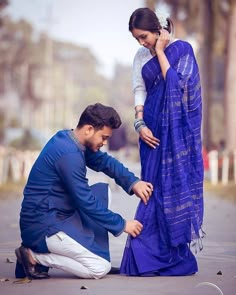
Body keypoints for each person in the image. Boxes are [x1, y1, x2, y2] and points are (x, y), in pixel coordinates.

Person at [15, 103, 153, 280]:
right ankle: (33, 256)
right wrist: (123, 224)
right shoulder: (68, 154)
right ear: (89, 129)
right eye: (103, 137)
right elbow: (85, 201)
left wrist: (133, 182)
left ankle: (94, 254)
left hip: (59, 212)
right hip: (42, 224)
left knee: (103, 193)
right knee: (99, 268)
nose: (104, 143)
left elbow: (105, 162)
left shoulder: (72, 139)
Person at [120, 8, 204, 276]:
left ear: (157, 29)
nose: (141, 43)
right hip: (152, 134)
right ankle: (146, 256)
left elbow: (178, 87)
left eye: (143, 36)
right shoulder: (139, 56)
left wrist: (159, 52)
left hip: (176, 133)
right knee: (152, 189)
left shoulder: (182, 49)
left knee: (172, 190)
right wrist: (140, 124)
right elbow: (139, 90)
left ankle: (171, 258)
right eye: (137, 39)